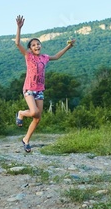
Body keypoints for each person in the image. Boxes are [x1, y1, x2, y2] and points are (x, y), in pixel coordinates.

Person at [14, 15, 75, 152]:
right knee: (34, 111)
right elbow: (18, 43)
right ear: (30, 48)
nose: (37, 46)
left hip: (39, 90)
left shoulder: (45, 58)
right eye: (33, 45)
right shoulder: (28, 56)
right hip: (29, 88)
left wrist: (68, 46)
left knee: (37, 118)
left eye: (38, 44)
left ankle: (26, 140)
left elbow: (57, 56)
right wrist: (19, 28)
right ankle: (22, 113)